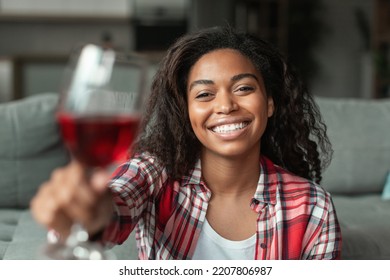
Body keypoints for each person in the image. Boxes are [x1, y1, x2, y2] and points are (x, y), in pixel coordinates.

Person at [31, 26, 342, 260]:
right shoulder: (155, 172)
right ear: (186, 111)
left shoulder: (314, 208)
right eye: (204, 94)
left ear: (270, 103)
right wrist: (88, 212)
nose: (225, 106)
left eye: (244, 88)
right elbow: (116, 203)